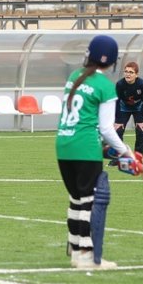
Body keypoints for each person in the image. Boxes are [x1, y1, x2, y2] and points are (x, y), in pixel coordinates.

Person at [55, 35, 136, 271]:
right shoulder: (105, 86)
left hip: (64, 143)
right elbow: (106, 129)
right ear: (111, 60)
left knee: (76, 198)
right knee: (88, 201)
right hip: (85, 147)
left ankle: (75, 251)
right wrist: (125, 151)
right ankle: (86, 256)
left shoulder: (74, 76)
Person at [115, 60, 143, 157]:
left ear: (136, 75)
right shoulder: (120, 84)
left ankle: (139, 158)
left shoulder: (142, 84)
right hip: (123, 107)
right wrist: (118, 120)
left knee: (140, 131)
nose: (128, 74)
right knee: (118, 131)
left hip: (139, 108)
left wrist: (141, 120)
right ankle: (118, 157)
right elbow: (117, 101)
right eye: (126, 71)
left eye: (131, 72)